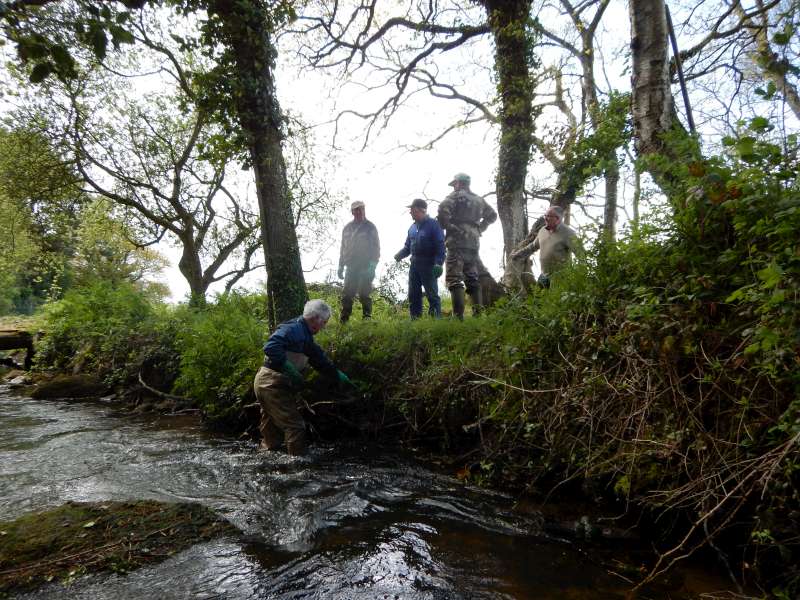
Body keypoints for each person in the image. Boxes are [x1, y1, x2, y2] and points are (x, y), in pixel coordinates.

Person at [253, 299, 351, 455]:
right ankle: (297, 468)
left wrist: (337, 374)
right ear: (315, 319)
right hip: (271, 383)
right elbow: (271, 346)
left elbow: (319, 359)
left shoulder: (305, 335)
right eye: (324, 322)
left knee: (271, 424)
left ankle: (268, 460)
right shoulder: (294, 329)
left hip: (268, 382)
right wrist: (288, 368)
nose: (324, 325)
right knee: (295, 426)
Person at [436, 172, 497, 319]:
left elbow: (443, 210)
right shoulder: (479, 199)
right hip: (473, 243)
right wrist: (479, 228)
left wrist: (448, 227)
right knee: (472, 277)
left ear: (458, 183)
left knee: (454, 278)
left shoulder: (455, 196)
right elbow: (492, 215)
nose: (454, 186)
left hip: (456, 242)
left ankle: (458, 317)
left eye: (454, 184)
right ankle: (478, 315)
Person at [393, 198, 446, 318]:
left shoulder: (433, 225)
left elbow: (440, 245)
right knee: (413, 294)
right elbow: (408, 247)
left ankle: (436, 320)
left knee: (432, 294)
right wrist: (400, 255)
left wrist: (438, 263)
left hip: (429, 265)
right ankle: (415, 319)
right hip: (415, 266)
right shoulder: (412, 228)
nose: (410, 212)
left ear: (419, 210)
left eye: (411, 210)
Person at [510, 205, 580, 287]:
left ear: (557, 219)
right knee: (538, 297)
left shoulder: (569, 233)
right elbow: (532, 247)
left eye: (549, 216)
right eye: (545, 215)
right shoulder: (542, 230)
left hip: (561, 277)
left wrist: (579, 276)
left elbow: (581, 254)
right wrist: (518, 255)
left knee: (554, 299)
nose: (545, 218)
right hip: (544, 275)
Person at [337, 200, 380, 323]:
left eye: (361, 209)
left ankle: (367, 318)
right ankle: (344, 320)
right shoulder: (347, 228)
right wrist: (340, 265)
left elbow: (376, 247)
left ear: (364, 210)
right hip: (350, 266)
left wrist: (373, 265)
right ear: (352, 212)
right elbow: (342, 248)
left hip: (366, 266)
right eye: (356, 209)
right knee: (347, 295)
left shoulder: (370, 227)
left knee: (364, 294)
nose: (359, 211)